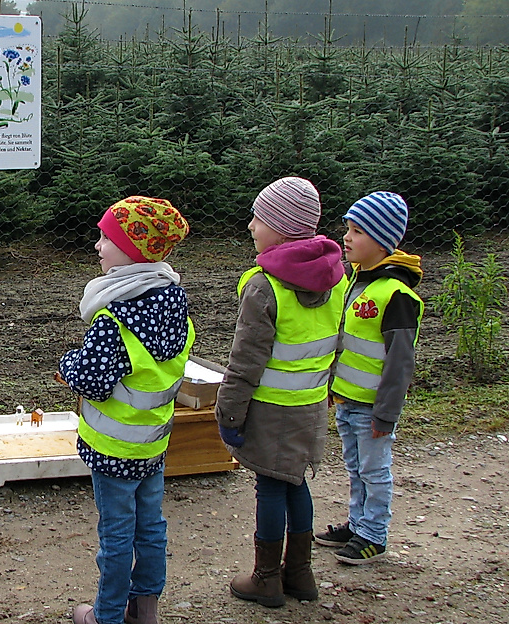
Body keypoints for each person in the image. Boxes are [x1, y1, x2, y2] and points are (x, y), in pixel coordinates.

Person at [58, 196, 192, 624]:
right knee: (150, 526)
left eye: (106, 237)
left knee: (116, 534)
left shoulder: (115, 317)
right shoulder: (174, 300)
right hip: (154, 442)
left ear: (133, 250)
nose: (97, 245)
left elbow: (93, 380)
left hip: (114, 448)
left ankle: (107, 615)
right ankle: (145, 607)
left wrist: (67, 364)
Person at [215, 177, 347, 608]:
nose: (251, 226)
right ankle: (301, 574)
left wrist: (229, 416)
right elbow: (337, 343)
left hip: (270, 409)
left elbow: (246, 361)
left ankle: (266, 578)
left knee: (270, 487)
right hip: (310, 405)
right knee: (296, 483)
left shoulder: (263, 285)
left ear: (282, 227)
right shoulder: (337, 278)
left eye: (260, 218)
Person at [315, 192, 422, 565]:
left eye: (357, 231)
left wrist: (386, 413)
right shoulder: (356, 282)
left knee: (374, 471)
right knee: (355, 466)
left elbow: (400, 362)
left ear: (382, 240)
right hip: (347, 400)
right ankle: (358, 524)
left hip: (373, 407)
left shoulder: (396, 294)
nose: (346, 237)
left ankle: (374, 534)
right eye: (347, 228)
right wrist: (331, 386)